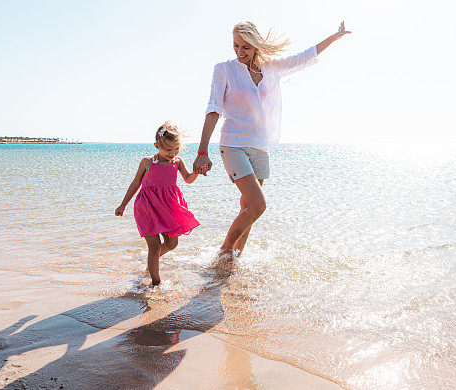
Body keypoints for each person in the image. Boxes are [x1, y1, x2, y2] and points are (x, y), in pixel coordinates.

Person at [193, 20, 350, 263]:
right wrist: (202, 150)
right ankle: (223, 252)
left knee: (248, 208)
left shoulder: (272, 68)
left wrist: (335, 37)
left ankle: (234, 260)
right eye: (236, 46)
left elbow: (305, 57)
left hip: (260, 147)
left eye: (245, 47)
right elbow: (213, 108)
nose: (239, 52)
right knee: (258, 206)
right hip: (233, 144)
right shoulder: (223, 69)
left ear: (256, 46)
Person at [115, 121, 200, 285]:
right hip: (146, 207)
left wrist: (197, 171)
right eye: (168, 149)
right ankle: (156, 283)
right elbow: (135, 183)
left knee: (172, 243)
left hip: (168, 208)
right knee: (154, 246)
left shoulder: (178, 162)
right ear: (156, 145)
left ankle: (150, 263)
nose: (172, 153)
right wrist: (123, 204)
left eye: (176, 149)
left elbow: (188, 179)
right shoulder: (147, 162)